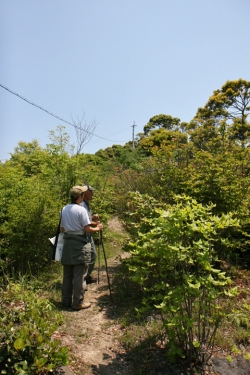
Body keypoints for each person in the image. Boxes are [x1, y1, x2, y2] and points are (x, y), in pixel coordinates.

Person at [60, 185, 103, 310]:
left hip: (68, 243)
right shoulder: (81, 209)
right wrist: (98, 228)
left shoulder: (64, 209)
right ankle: (78, 302)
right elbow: (87, 229)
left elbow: (62, 228)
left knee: (67, 274)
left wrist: (89, 224)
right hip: (80, 244)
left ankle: (66, 301)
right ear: (81, 196)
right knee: (79, 274)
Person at [80, 185, 99, 284]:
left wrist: (93, 220)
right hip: (85, 234)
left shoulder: (86, 204)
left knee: (91, 255)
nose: (92, 194)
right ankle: (84, 278)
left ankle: (85, 276)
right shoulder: (82, 205)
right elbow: (84, 224)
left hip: (87, 233)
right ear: (86, 193)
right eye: (91, 192)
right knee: (90, 255)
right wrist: (97, 227)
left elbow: (86, 220)